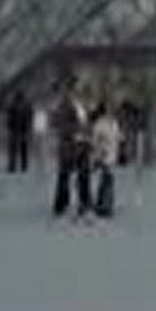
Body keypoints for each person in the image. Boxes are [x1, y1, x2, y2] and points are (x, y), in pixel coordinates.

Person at [52, 80, 92, 219]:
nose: (79, 91)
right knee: (64, 175)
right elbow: (60, 124)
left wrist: (87, 134)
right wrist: (75, 131)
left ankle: (84, 201)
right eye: (76, 89)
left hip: (82, 145)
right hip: (69, 146)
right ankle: (61, 203)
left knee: (84, 174)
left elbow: (86, 123)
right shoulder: (64, 105)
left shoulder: (83, 106)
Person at [91, 103, 121, 218]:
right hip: (107, 155)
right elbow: (97, 140)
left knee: (107, 180)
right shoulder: (106, 124)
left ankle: (104, 204)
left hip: (108, 155)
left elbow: (114, 138)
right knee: (107, 180)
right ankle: (105, 205)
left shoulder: (107, 124)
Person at [6, 90, 33, 173]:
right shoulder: (13, 106)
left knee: (22, 149)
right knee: (16, 148)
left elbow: (29, 117)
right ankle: (13, 166)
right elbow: (9, 118)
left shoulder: (26, 106)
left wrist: (28, 128)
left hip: (22, 129)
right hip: (16, 129)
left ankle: (21, 166)